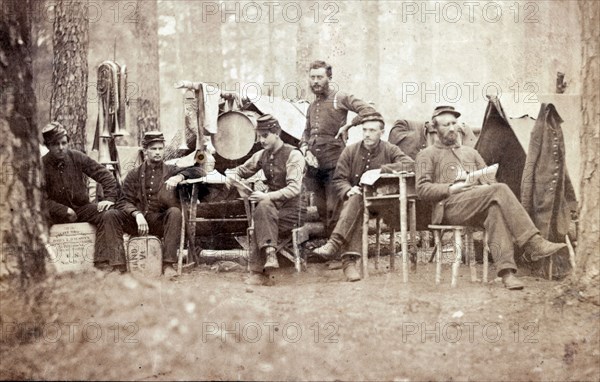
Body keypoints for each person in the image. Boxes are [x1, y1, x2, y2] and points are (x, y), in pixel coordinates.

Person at [415, 106, 568, 290]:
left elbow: (489, 179)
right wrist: (452, 187)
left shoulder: (470, 152)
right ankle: (532, 242)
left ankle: (507, 274)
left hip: (475, 204)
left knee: (495, 209)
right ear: (435, 128)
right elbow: (422, 190)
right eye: (446, 125)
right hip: (448, 207)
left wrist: (480, 183)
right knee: (499, 190)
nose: (452, 128)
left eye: (454, 123)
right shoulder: (427, 155)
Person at [312, 112, 414, 282]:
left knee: (356, 204)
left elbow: (410, 164)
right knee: (356, 200)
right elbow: (338, 179)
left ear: (381, 132)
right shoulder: (350, 151)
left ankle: (335, 245)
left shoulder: (390, 149)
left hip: (384, 205)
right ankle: (349, 262)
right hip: (355, 202)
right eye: (364, 130)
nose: (367, 134)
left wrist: (382, 170)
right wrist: (347, 189)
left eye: (372, 130)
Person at [226, 115, 306, 286]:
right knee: (263, 211)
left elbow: (294, 189)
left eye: (264, 135)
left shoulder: (294, 155)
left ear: (276, 133)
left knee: (261, 213)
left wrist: (267, 196)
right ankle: (269, 256)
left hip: (293, 211)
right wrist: (232, 175)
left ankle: (258, 272)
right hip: (271, 210)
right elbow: (241, 170)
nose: (260, 140)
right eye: (258, 136)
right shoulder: (261, 155)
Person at [300, 60, 377, 235]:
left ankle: (338, 256)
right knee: (321, 210)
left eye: (320, 77)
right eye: (312, 77)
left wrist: (349, 125)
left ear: (329, 77)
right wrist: (304, 148)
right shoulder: (312, 106)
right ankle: (329, 251)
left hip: (336, 164)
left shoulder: (339, 98)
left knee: (334, 208)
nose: (315, 81)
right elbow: (306, 132)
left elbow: (369, 110)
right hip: (315, 167)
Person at [41, 121, 127, 272]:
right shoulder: (41, 165)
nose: (61, 148)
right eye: (55, 144)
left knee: (109, 213)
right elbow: (40, 200)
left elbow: (106, 176)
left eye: (64, 143)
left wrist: (109, 199)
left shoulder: (77, 157)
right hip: (55, 215)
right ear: (48, 145)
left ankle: (105, 263)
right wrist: (63, 210)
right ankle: (50, 268)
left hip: (81, 209)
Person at [117, 131, 204, 277]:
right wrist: (136, 214)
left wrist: (179, 176)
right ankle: (117, 265)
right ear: (145, 151)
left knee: (175, 212)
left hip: (160, 223)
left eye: (160, 148)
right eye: (153, 149)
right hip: (137, 222)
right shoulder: (134, 174)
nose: (158, 152)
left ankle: (168, 265)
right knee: (112, 215)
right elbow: (123, 201)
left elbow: (200, 170)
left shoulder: (170, 170)